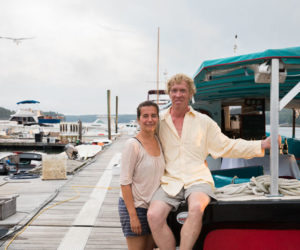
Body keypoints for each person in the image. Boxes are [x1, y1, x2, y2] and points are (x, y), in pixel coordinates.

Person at [147, 73, 275, 250]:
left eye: (182, 90)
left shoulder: (204, 122)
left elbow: (226, 146)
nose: (178, 95)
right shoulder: (158, 121)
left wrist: (261, 144)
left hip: (198, 179)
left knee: (196, 208)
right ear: (169, 93)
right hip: (169, 180)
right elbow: (143, 143)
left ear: (191, 93)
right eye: (174, 90)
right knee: (153, 216)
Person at [118, 100, 165, 250]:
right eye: (145, 116)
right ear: (138, 119)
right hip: (135, 207)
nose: (150, 120)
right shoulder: (132, 145)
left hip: (153, 209)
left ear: (158, 118)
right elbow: (125, 183)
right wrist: (133, 216)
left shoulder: (159, 140)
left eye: (153, 115)